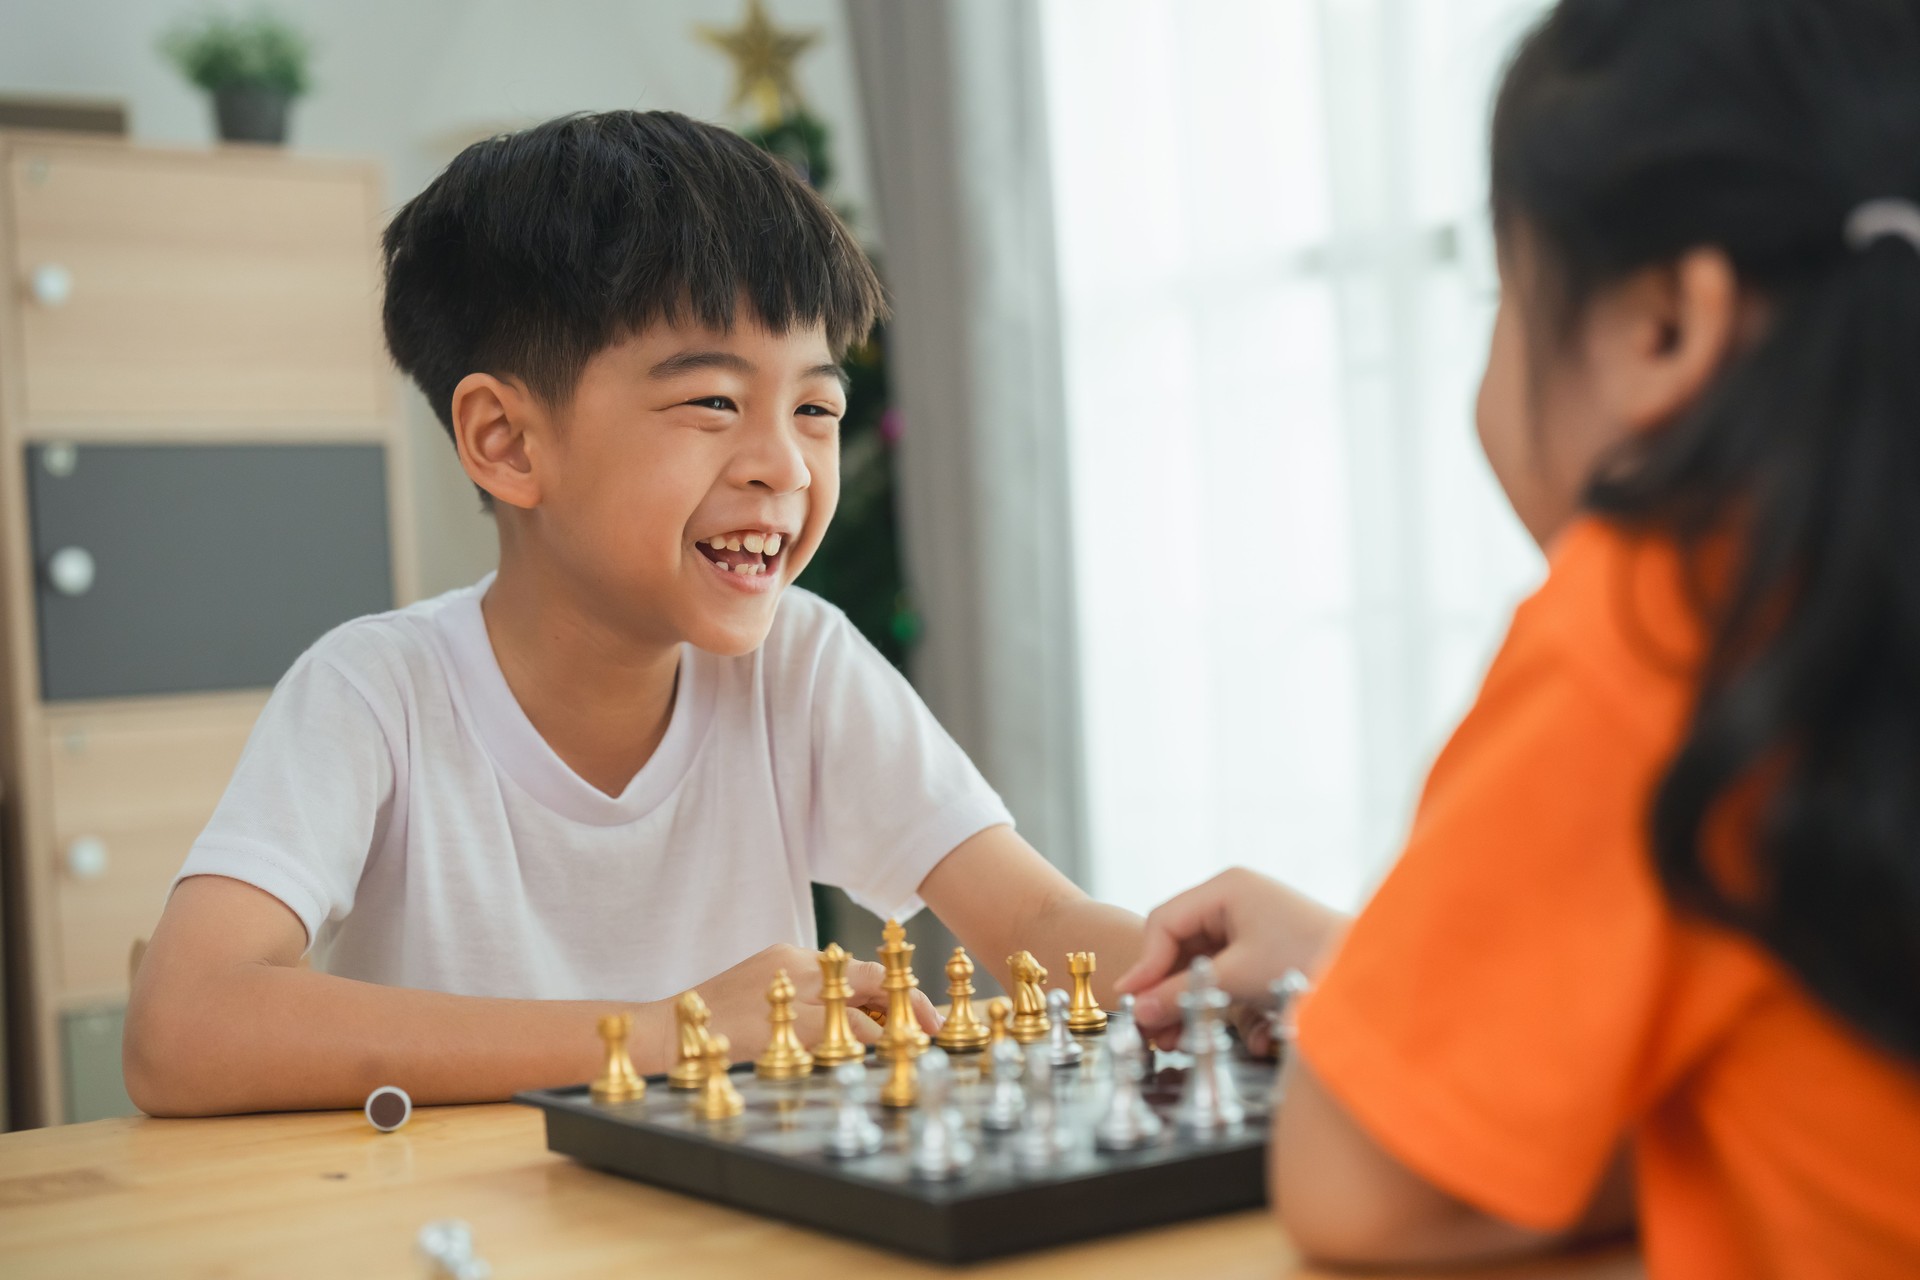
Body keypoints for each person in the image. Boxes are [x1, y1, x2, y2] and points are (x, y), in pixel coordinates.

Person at [125, 111, 1142, 1116]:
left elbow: (1041, 915)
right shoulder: (374, 691)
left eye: (816, 409)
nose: (784, 464)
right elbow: (183, 1027)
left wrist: (1253, 977)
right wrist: (667, 1031)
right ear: (508, 442)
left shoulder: (801, 662)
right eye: (712, 402)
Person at [1117, 1, 1920, 1275]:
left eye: (1506, 292)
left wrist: (1373, 1015)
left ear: (1663, 324)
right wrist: (1359, 962)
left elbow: (1357, 1189)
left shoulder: (1666, 611)